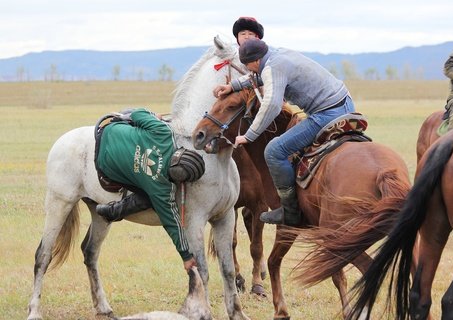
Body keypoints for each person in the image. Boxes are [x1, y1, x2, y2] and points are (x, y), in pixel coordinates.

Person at [213, 39, 356, 226]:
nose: (250, 72)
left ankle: (290, 210)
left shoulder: (272, 69)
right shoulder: (277, 55)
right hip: (346, 103)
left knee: (274, 150)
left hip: (326, 114)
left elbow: (271, 105)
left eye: (249, 67)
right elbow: (257, 78)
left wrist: (249, 136)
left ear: (255, 61)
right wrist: (233, 86)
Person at [94, 108, 205, 271]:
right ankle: (115, 210)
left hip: (109, 131)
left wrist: (154, 117)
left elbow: (138, 113)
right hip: (106, 166)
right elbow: (172, 222)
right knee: (148, 198)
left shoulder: (165, 132)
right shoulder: (162, 189)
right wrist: (186, 257)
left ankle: (115, 210)